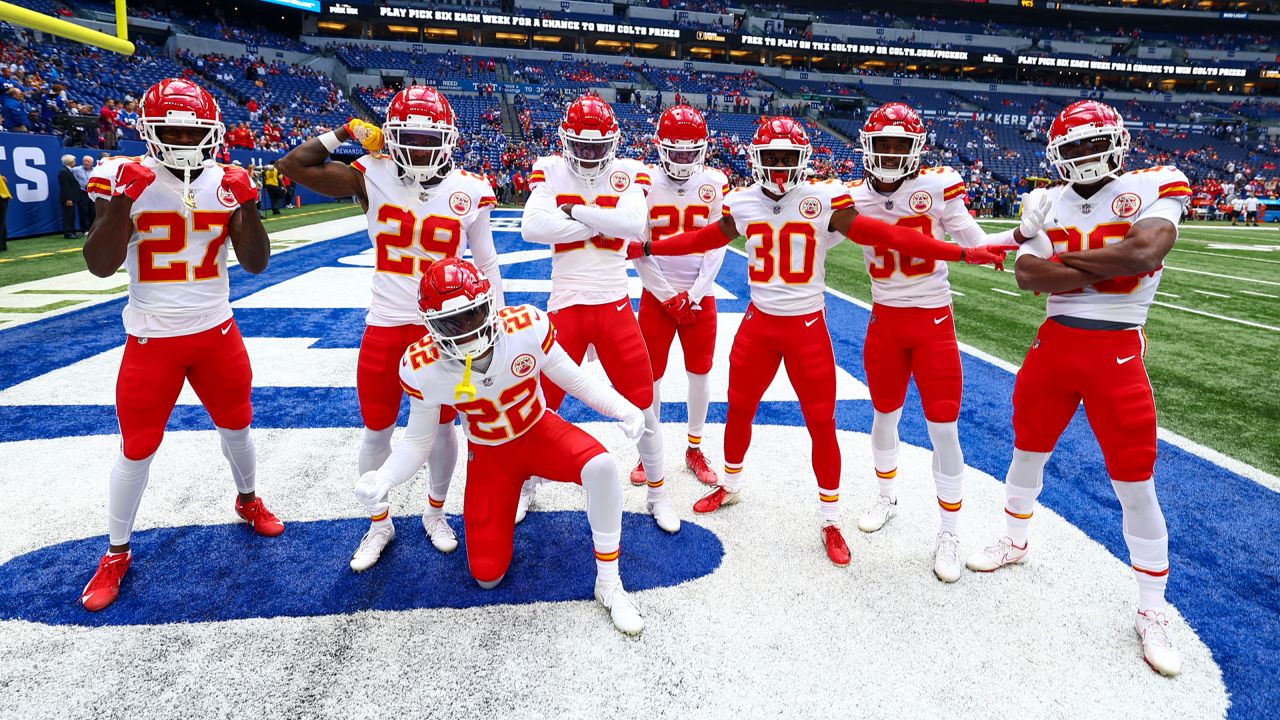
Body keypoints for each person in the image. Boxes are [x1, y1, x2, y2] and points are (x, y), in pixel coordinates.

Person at [628, 116, 1010, 567]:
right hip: (759, 324)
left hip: (807, 328)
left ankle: (831, 517)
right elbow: (701, 238)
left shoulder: (825, 197)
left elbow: (888, 234)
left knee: (821, 423)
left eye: (788, 158)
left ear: (804, 160)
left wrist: (963, 251)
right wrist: (651, 249)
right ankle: (730, 484)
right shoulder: (744, 201)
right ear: (756, 158)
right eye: (771, 157)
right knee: (739, 406)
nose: (779, 166)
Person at [964, 100, 1192, 677]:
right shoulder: (1047, 201)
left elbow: (1144, 252)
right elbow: (1026, 276)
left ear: (1116, 143)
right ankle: (1014, 541)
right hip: (1055, 345)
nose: (1085, 158)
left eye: (1094, 145)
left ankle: (1152, 607)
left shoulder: (1152, 185)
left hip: (1117, 349)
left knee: (1134, 478)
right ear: (1056, 154)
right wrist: (1105, 265)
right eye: (1074, 149)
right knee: (1026, 450)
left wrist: (1064, 261)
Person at [352, 258, 648, 635]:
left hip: (539, 432)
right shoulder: (423, 365)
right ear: (430, 326)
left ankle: (609, 582)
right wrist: (385, 477)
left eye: (473, 315)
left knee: (602, 467)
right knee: (487, 575)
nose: (467, 330)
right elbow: (417, 440)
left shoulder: (525, 327)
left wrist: (624, 409)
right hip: (489, 455)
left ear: (490, 304)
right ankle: (515, 495)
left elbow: (576, 380)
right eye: (452, 324)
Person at [77, 78, 280, 612]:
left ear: (211, 129)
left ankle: (248, 499)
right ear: (149, 131)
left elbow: (256, 262)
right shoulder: (118, 176)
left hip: (217, 332)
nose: (186, 138)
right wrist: (124, 199)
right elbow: (99, 265)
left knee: (238, 425)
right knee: (137, 447)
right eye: (174, 129)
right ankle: (116, 552)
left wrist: (249, 204)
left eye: (195, 128)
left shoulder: (224, 180)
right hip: (151, 337)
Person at [278, 86, 503, 555]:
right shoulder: (372, 173)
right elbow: (292, 167)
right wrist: (344, 131)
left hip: (445, 332)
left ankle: (435, 511)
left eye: (429, 138)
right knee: (377, 429)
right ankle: (379, 523)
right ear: (390, 136)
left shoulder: (469, 189)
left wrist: (494, 326)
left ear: (448, 139)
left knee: (443, 428)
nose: (420, 148)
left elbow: (486, 266)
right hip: (384, 323)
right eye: (409, 137)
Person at [846, 102, 1049, 582]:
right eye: (884, 145)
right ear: (867, 148)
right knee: (883, 415)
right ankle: (885, 494)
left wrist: (1021, 235)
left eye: (901, 145)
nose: (892, 154)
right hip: (885, 321)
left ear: (917, 149)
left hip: (933, 322)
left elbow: (976, 243)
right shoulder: (852, 197)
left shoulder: (937, 186)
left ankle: (950, 531)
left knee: (943, 429)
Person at [519, 94, 675, 534]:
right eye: (582, 147)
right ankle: (526, 485)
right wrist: (598, 219)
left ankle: (659, 493)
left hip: (613, 305)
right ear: (567, 141)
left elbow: (632, 227)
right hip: (564, 306)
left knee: (644, 405)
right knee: (539, 404)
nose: (589, 155)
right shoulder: (550, 168)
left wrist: (570, 212)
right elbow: (533, 227)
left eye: (596, 147)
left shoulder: (628, 170)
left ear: (613, 142)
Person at [626, 105, 727, 488]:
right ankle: (647, 450)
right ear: (660, 147)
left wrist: (695, 293)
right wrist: (669, 295)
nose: (683, 158)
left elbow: (718, 244)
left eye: (690, 151)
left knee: (700, 373)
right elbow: (637, 247)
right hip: (657, 297)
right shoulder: (644, 183)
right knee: (649, 377)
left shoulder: (714, 183)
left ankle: (695, 448)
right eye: (676, 150)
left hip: (700, 299)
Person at [58, 154, 80, 238]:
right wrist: (68, 199)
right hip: (68, 199)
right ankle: (68, 233)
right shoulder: (63, 172)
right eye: (74, 161)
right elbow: (65, 187)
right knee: (68, 216)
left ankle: (72, 232)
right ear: (70, 162)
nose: (75, 162)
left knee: (72, 216)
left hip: (72, 198)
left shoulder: (68, 171)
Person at [73, 156, 96, 230]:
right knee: (83, 211)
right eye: (85, 161)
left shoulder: (96, 170)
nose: (86, 162)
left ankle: (93, 228)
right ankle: (85, 229)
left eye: (88, 161)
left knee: (93, 211)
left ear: (92, 163)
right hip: (82, 193)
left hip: (93, 193)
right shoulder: (75, 170)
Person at [0, 169, 9, 252]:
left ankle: (2, 245)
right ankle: (2, 244)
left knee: (1, 221)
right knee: (1, 221)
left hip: (2, 196)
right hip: (3, 196)